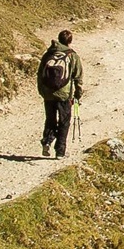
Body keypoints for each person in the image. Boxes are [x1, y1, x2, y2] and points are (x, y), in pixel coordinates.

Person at [37, 29, 83, 157]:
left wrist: (42, 91)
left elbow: (40, 74)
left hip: (48, 93)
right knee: (64, 121)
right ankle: (60, 151)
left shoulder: (48, 54)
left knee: (50, 119)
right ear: (70, 41)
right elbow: (78, 76)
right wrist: (78, 94)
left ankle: (47, 141)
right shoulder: (72, 55)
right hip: (64, 94)